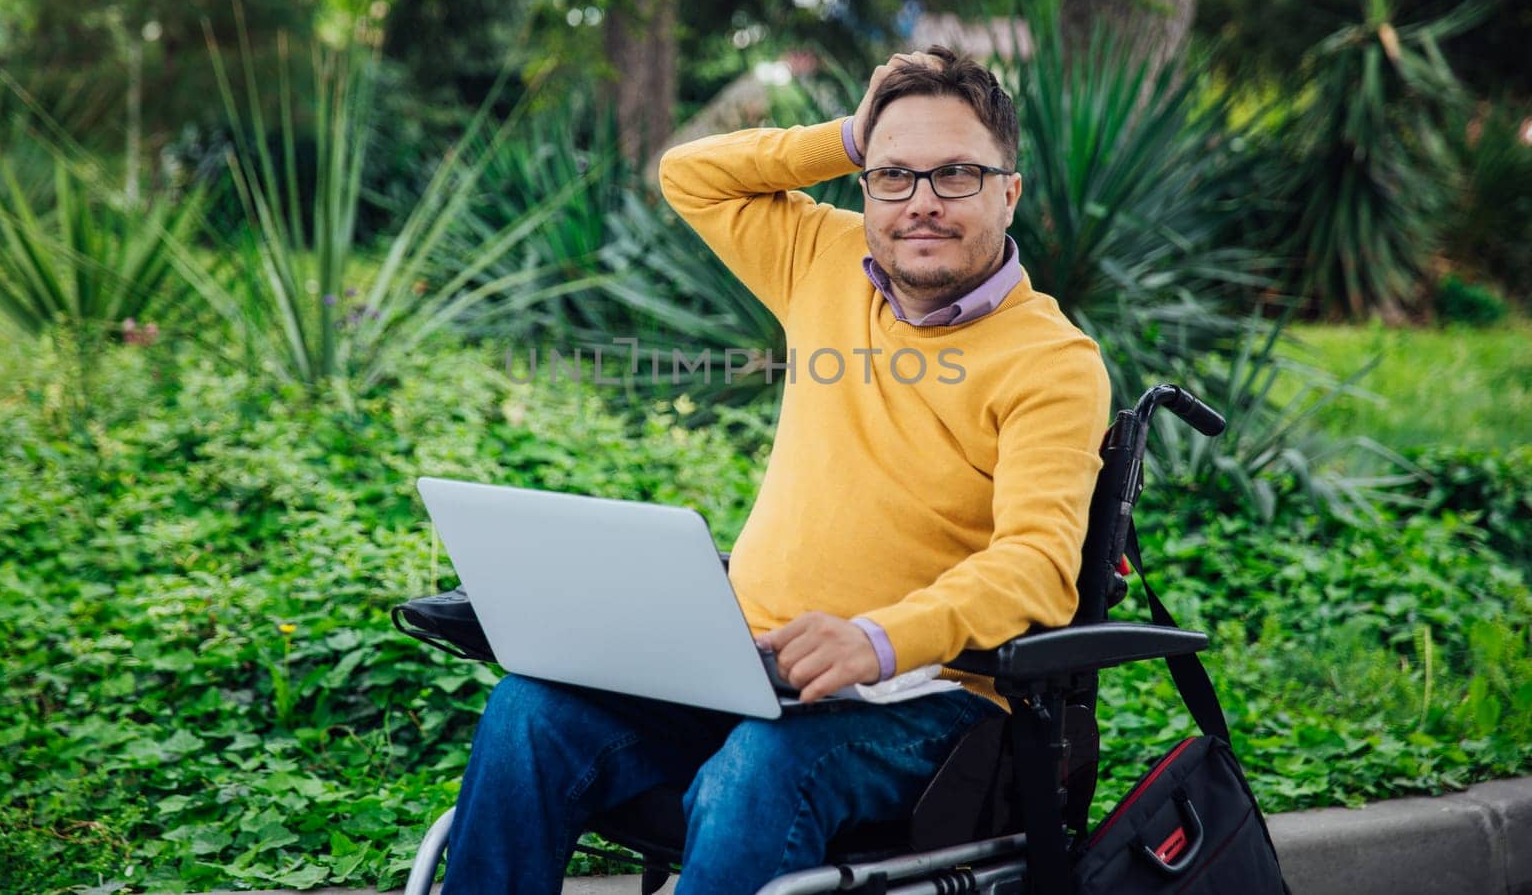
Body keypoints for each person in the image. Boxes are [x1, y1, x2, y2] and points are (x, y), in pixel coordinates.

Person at [439, 47, 1111, 894]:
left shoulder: (1052, 362)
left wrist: (874, 642)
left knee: (760, 764)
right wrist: (845, 133)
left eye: (957, 175)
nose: (922, 204)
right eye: (894, 175)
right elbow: (689, 174)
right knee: (529, 710)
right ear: (864, 182)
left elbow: (1039, 569)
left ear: (1008, 191)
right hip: (745, 668)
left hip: (927, 700)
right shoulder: (822, 261)